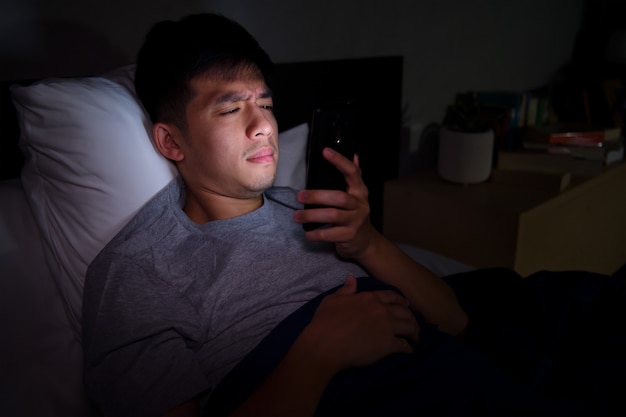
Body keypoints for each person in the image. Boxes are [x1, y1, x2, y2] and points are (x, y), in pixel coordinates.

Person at [82, 12, 626, 417]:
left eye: (265, 104)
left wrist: (367, 242)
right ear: (170, 141)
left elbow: (459, 322)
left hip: (433, 352)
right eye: (230, 108)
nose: (263, 126)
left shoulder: (306, 204)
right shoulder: (137, 270)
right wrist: (316, 354)